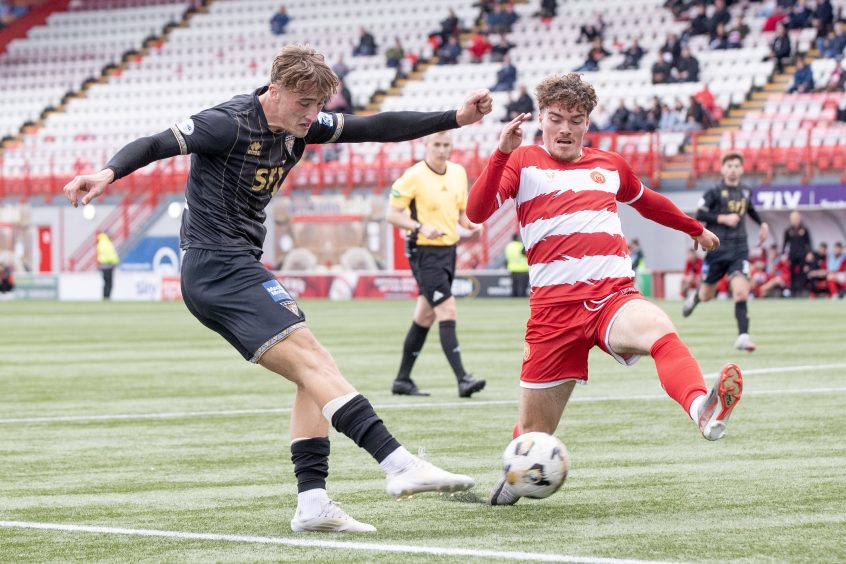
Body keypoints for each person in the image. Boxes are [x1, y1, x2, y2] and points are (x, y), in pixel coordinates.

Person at [62, 44, 493, 533]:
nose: (313, 116)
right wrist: (106, 173)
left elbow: (375, 126)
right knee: (313, 359)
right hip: (215, 267)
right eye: (304, 104)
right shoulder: (227, 122)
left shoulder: (300, 125)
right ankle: (397, 464)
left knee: (315, 371)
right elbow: (156, 143)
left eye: (318, 106)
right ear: (276, 91)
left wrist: (455, 117)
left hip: (237, 264)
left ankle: (312, 502)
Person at [465, 73, 743, 506]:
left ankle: (700, 409)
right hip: (552, 316)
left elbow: (650, 201)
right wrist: (501, 153)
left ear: (587, 123)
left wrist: (696, 229)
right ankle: (510, 485)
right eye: (556, 118)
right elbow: (478, 211)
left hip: (612, 298)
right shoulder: (522, 162)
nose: (565, 129)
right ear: (540, 118)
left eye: (575, 120)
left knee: (659, 329)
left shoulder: (609, 166)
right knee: (534, 435)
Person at [386, 131, 486, 398]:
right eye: (437, 145)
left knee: (425, 315)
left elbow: (461, 213)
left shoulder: (458, 173)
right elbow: (392, 215)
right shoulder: (413, 176)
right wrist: (420, 226)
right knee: (446, 308)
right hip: (423, 251)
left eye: (446, 145)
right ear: (425, 145)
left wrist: (471, 225)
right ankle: (463, 379)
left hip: (448, 250)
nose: (442, 150)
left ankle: (402, 380)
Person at [683, 152, 769, 351]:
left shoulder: (746, 192)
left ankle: (743, 336)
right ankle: (695, 298)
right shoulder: (713, 192)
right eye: (729, 165)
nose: (732, 169)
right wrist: (723, 219)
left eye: (736, 166)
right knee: (707, 295)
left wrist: (763, 224)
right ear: (722, 169)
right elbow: (701, 214)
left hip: (739, 249)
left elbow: (751, 210)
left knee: (740, 292)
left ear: (742, 169)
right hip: (716, 249)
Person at [782, 210, 813, 297]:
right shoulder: (788, 231)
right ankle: (793, 290)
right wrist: (783, 254)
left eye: (796, 218)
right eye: (793, 218)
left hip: (802, 254)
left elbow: (809, 242)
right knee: (792, 272)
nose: (795, 220)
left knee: (802, 272)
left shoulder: (804, 230)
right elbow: (785, 244)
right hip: (792, 254)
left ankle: (801, 290)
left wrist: (809, 252)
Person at [96, 231, 119, 300]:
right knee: (108, 283)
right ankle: (106, 297)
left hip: (104, 265)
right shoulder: (106, 243)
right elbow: (110, 255)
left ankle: (106, 297)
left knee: (106, 282)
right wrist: (115, 261)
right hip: (108, 265)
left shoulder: (102, 242)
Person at [505, 232, 529, 297]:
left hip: (512, 268)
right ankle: (522, 297)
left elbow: (507, 258)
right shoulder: (521, 245)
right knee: (523, 286)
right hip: (522, 269)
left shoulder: (508, 246)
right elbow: (526, 254)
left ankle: (514, 297)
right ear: (517, 238)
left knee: (514, 285)